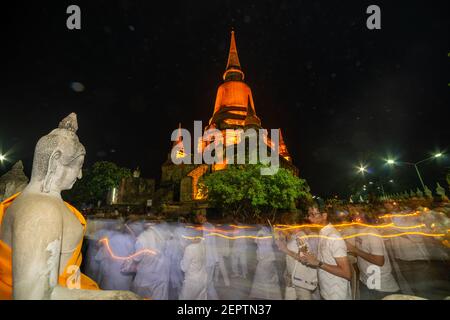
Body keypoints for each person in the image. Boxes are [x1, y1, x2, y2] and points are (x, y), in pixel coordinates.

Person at [0, 113, 139, 300]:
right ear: (55, 160)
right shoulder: (40, 210)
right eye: (79, 165)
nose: (80, 175)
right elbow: (35, 296)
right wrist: (119, 297)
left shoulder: (43, 204)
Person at [299, 205, 352, 300]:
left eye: (313, 214)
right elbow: (327, 260)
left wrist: (318, 263)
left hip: (337, 295)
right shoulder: (322, 233)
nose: (309, 218)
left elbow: (346, 273)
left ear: (324, 216)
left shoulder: (333, 236)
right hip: (325, 292)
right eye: (308, 214)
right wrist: (311, 259)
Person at [345, 215, 400, 300]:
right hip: (365, 279)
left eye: (359, 215)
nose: (356, 217)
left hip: (380, 284)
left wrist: (354, 250)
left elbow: (379, 261)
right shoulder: (356, 230)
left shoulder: (372, 233)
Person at [127, 222, 170, 299]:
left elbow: (137, 259)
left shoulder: (142, 238)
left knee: (143, 297)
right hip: (160, 275)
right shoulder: (162, 235)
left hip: (146, 277)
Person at [95, 224, 136, 291]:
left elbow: (98, 257)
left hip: (110, 278)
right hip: (125, 278)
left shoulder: (110, 240)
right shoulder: (132, 239)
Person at [250, 225, 282, 300]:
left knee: (264, 279)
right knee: (269, 279)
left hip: (264, 260)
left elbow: (259, 245)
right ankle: (270, 296)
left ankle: (266, 296)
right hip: (268, 260)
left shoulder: (261, 233)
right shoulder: (268, 234)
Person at [196, 212, 219, 299]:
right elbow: (213, 243)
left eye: (198, 216)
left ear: (202, 216)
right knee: (209, 283)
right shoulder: (211, 226)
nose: (197, 218)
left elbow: (202, 243)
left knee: (205, 283)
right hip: (212, 258)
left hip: (206, 258)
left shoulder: (203, 227)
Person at [179, 229, 208, 300]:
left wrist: (181, 258)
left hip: (192, 281)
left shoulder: (190, 248)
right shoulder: (202, 245)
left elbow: (183, 267)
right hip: (203, 279)